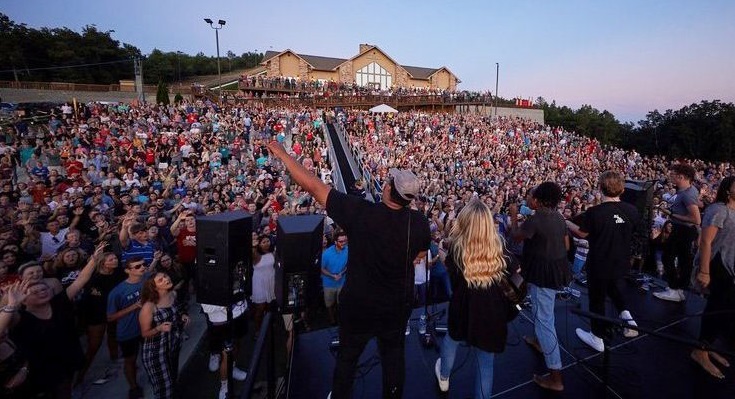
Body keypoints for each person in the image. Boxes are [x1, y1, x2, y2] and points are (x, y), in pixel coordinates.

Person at [267, 141, 430, 399]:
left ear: (388, 189)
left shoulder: (360, 211)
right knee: (394, 358)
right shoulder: (419, 223)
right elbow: (420, 255)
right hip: (396, 305)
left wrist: (283, 155)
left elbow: (313, 185)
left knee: (347, 359)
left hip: (359, 305)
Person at [0, 243, 102, 399]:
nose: (41, 291)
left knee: (65, 389)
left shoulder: (59, 302)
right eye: (35, 291)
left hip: (66, 358)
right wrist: (11, 304)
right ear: (24, 299)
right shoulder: (19, 316)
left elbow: (80, 280)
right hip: (39, 368)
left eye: (44, 289)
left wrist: (94, 260)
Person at [433, 198, 513, 398]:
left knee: (451, 341)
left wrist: (442, 251)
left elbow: (450, 266)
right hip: (492, 311)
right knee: (485, 365)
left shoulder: (458, 249)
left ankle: (444, 378)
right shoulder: (499, 247)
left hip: (463, 308)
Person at [565, 171, 640, 352]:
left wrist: (566, 222)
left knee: (597, 298)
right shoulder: (632, 210)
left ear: (600, 188)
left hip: (600, 261)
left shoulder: (595, 212)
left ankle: (597, 337)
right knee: (614, 287)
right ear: (622, 189)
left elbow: (582, 233)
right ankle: (628, 319)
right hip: (621, 260)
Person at [509, 182, 570, 392]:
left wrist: (514, 215)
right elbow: (567, 245)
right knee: (539, 308)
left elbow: (515, 236)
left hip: (542, 274)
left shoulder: (535, 220)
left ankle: (556, 376)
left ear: (537, 200)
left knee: (545, 320)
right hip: (553, 270)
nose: (528, 198)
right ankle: (538, 341)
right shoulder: (558, 217)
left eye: (530, 195)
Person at [690, 176, 735, 379]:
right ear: (727, 190)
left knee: (725, 309)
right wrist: (704, 271)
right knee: (715, 308)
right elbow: (706, 242)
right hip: (718, 265)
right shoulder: (718, 210)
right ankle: (700, 351)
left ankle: (708, 346)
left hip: (731, 266)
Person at [76, 251, 126, 385]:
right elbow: (90, 300)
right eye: (111, 259)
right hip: (96, 314)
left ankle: (115, 359)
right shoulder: (94, 279)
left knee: (113, 336)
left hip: (113, 311)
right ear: (103, 263)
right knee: (94, 345)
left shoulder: (119, 272)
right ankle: (79, 377)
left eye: (115, 257)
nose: (115, 260)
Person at [654, 163, 701, 302]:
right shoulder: (690, 190)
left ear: (681, 176)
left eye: (673, 175)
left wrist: (671, 214)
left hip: (683, 230)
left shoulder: (686, 195)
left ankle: (674, 289)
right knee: (683, 260)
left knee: (667, 258)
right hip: (685, 230)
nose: (670, 177)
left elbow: (696, 219)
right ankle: (679, 290)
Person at [139, 272, 189, 399]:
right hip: (156, 352)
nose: (166, 279)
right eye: (160, 280)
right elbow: (144, 333)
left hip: (173, 345)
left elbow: (178, 310)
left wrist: (183, 316)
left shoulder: (173, 294)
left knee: (172, 379)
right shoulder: (148, 307)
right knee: (164, 389)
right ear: (154, 288)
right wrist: (158, 328)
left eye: (166, 276)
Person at [107, 257, 150, 399]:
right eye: (137, 267)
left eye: (143, 265)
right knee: (130, 361)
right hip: (128, 331)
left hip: (147, 326)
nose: (142, 268)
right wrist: (133, 307)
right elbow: (110, 317)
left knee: (149, 355)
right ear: (127, 270)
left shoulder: (146, 280)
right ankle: (133, 387)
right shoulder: (117, 292)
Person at [321, 230, 348, 325]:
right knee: (329, 304)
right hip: (329, 283)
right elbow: (322, 269)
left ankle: (339, 319)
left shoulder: (348, 250)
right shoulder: (326, 254)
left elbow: (348, 265)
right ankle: (332, 319)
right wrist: (332, 276)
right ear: (335, 242)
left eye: (345, 241)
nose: (344, 243)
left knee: (341, 303)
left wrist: (342, 273)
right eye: (341, 241)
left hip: (342, 282)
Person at [251, 234, 275, 333]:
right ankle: (257, 329)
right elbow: (252, 253)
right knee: (260, 308)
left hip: (271, 280)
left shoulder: (273, 253)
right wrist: (254, 246)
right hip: (259, 282)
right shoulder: (256, 254)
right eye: (263, 242)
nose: (266, 244)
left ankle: (268, 325)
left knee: (269, 306)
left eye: (267, 241)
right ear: (259, 244)